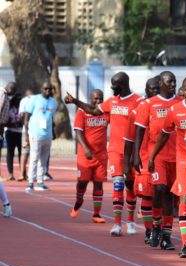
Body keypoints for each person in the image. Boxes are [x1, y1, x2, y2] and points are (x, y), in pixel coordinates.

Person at [65, 72, 142, 236]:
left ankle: (130, 221)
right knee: (118, 184)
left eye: (115, 86)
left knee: (130, 187)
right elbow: (93, 110)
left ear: (123, 84)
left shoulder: (138, 101)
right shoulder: (112, 101)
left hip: (131, 151)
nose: (112, 89)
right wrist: (75, 101)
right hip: (115, 151)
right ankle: (117, 224)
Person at [150, 76, 186, 258]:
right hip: (184, 162)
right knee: (185, 200)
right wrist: (153, 156)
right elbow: (164, 134)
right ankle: (185, 244)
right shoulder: (175, 110)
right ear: (182, 91)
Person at [134, 71, 182, 250]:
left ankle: (167, 235)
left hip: (177, 156)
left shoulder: (180, 102)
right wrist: (136, 154)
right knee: (159, 188)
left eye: (174, 81)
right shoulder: (148, 104)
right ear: (161, 83)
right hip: (157, 155)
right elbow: (139, 130)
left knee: (170, 195)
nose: (172, 84)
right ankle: (155, 225)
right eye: (169, 81)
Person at [123, 77, 160, 244]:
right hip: (144, 161)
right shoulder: (137, 111)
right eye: (152, 89)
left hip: (162, 160)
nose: (156, 91)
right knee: (147, 196)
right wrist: (128, 161)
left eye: (158, 88)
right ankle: (149, 230)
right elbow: (129, 139)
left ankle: (159, 229)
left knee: (160, 198)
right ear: (146, 90)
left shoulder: (165, 109)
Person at [70, 89, 109, 223]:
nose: (98, 101)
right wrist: (86, 148)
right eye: (95, 98)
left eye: (100, 99)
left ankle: (96, 214)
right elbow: (78, 132)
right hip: (85, 155)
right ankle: (78, 200)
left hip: (101, 156)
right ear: (90, 98)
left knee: (99, 184)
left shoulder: (105, 112)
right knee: (82, 183)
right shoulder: (82, 112)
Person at [25, 81, 57, 191]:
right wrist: (26, 135)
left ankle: (40, 181)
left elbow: (51, 118)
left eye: (49, 89)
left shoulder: (54, 102)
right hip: (35, 133)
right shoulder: (34, 99)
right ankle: (30, 182)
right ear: (41, 89)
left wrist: (53, 132)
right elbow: (26, 116)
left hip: (47, 135)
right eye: (46, 89)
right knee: (34, 157)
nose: (48, 91)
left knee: (44, 159)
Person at [4, 83, 23, 180]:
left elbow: (25, 120)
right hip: (10, 132)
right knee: (10, 152)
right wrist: (12, 124)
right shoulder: (9, 108)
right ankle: (11, 174)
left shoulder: (22, 109)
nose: (18, 100)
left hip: (20, 133)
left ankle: (22, 173)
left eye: (19, 99)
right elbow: (4, 120)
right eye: (16, 98)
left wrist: (20, 123)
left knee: (21, 152)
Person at [18, 89, 33, 181]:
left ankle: (23, 174)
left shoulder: (24, 100)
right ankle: (26, 174)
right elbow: (22, 115)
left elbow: (21, 115)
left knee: (25, 152)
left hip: (28, 130)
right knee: (29, 153)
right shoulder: (33, 100)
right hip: (31, 130)